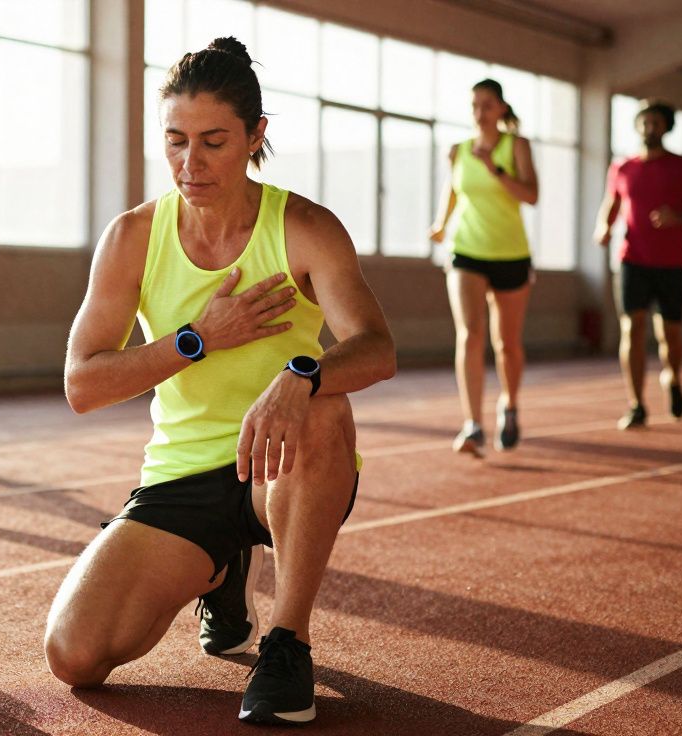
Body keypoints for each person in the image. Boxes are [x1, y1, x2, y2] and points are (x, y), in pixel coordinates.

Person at [43, 37, 396, 726]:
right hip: (184, 472)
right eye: (175, 140)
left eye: (212, 141)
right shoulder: (133, 237)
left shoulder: (304, 227)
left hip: (285, 460)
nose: (189, 163)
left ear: (255, 135)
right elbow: (82, 385)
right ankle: (224, 567)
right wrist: (199, 337)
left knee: (322, 406)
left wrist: (303, 373)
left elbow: (376, 349)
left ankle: (287, 644)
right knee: (74, 654)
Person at [429, 79, 540, 457]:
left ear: (502, 109)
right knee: (470, 334)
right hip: (466, 250)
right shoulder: (458, 150)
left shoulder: (516, 145)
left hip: (510, 254)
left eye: (487, 104)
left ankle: (509, 404)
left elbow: (531, 195)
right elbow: (453, 191)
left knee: (506, 344)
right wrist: (441, 224)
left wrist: (495, 169)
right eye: (475, 104)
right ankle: (473, 425)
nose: (480, 111)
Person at [594, 100, 682, 429]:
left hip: (672, 262)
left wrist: (679, 215)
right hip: (633, 260)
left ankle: (672, 378)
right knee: (631, 328)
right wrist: (604, 227)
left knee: (670, 334)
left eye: (656, 123)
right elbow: (611, 203)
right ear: (637, 125)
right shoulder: (622, 167)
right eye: (644, 122)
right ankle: (636, 404)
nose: (649, 128)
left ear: (667, 127)